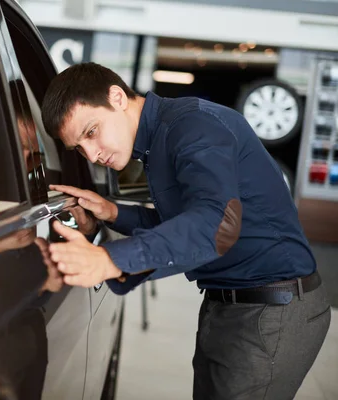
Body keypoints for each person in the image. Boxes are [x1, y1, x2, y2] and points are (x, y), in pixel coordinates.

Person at [41, 62, 331, 399]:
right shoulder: (158, 140)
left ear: (117, 97)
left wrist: (110, 259)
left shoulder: (192, 126)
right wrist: (112, 213)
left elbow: (218, 227)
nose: (91, 154)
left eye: (91, 132)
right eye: (78, 148)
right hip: (229, 305)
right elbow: (185, 228)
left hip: (271, 311)